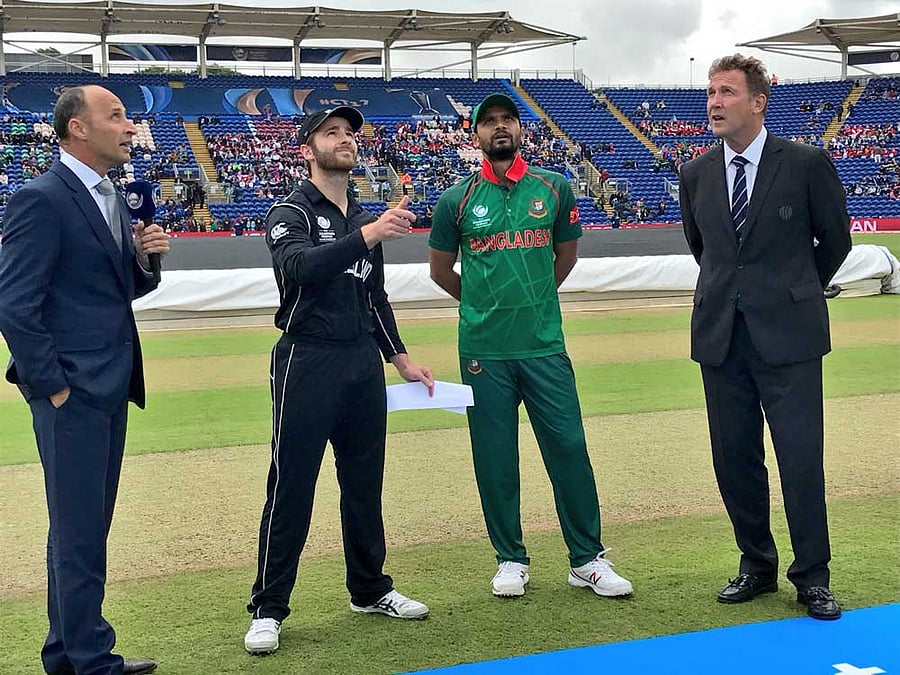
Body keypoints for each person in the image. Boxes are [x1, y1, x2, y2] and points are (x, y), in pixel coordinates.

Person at [244, 107, 434, 655]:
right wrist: (370, 234)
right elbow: (299, 269)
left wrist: (399, 359)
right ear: (307, 149)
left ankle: (370, 588)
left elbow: (372, 296)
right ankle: (269, 607)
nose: (346, 140)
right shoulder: (290, 211)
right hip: (307, 359)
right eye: (332, 133)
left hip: (360, 365)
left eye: (350, 133)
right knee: (291, 486)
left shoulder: (362, 217)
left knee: (364, 482)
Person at [428, 93, 633, 600]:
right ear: (474, 134)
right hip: (483, 349)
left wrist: (534, 298)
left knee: (568, 447)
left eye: (507, 119)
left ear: (521, 129)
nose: (499, 127)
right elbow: (439, 271)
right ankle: (510, 558)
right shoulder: (455, 199)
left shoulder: (554, 187)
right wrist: (482, 304)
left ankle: (586, 559)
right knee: (495, 457)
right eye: (488, 121)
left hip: (544, 345)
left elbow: (565, 258)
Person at [0, 85, 170, 674]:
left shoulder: (113, 198)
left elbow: (121, 291)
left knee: (83, 528)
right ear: (77, 128)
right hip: (71, 392)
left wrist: (146, 259)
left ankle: (67, 654)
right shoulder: (41, 199)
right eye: (116, 115)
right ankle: (92, 660)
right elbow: (15, 303)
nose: (130, 126)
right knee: (78, 532)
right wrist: (53, 385)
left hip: (111, 383)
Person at [679, 55, 851, 621]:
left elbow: (836, 242)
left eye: (727, 92)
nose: (714, 102)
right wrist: (737, 297)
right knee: (735, 460)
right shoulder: (697, 173)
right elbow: (704, 249)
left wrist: (795, 291)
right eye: (710, 92)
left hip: (791, 339)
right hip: (722, 338)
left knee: (801, 460)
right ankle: (756, 563)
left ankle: (812, 577)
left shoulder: (805, 163)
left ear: (758, 102)